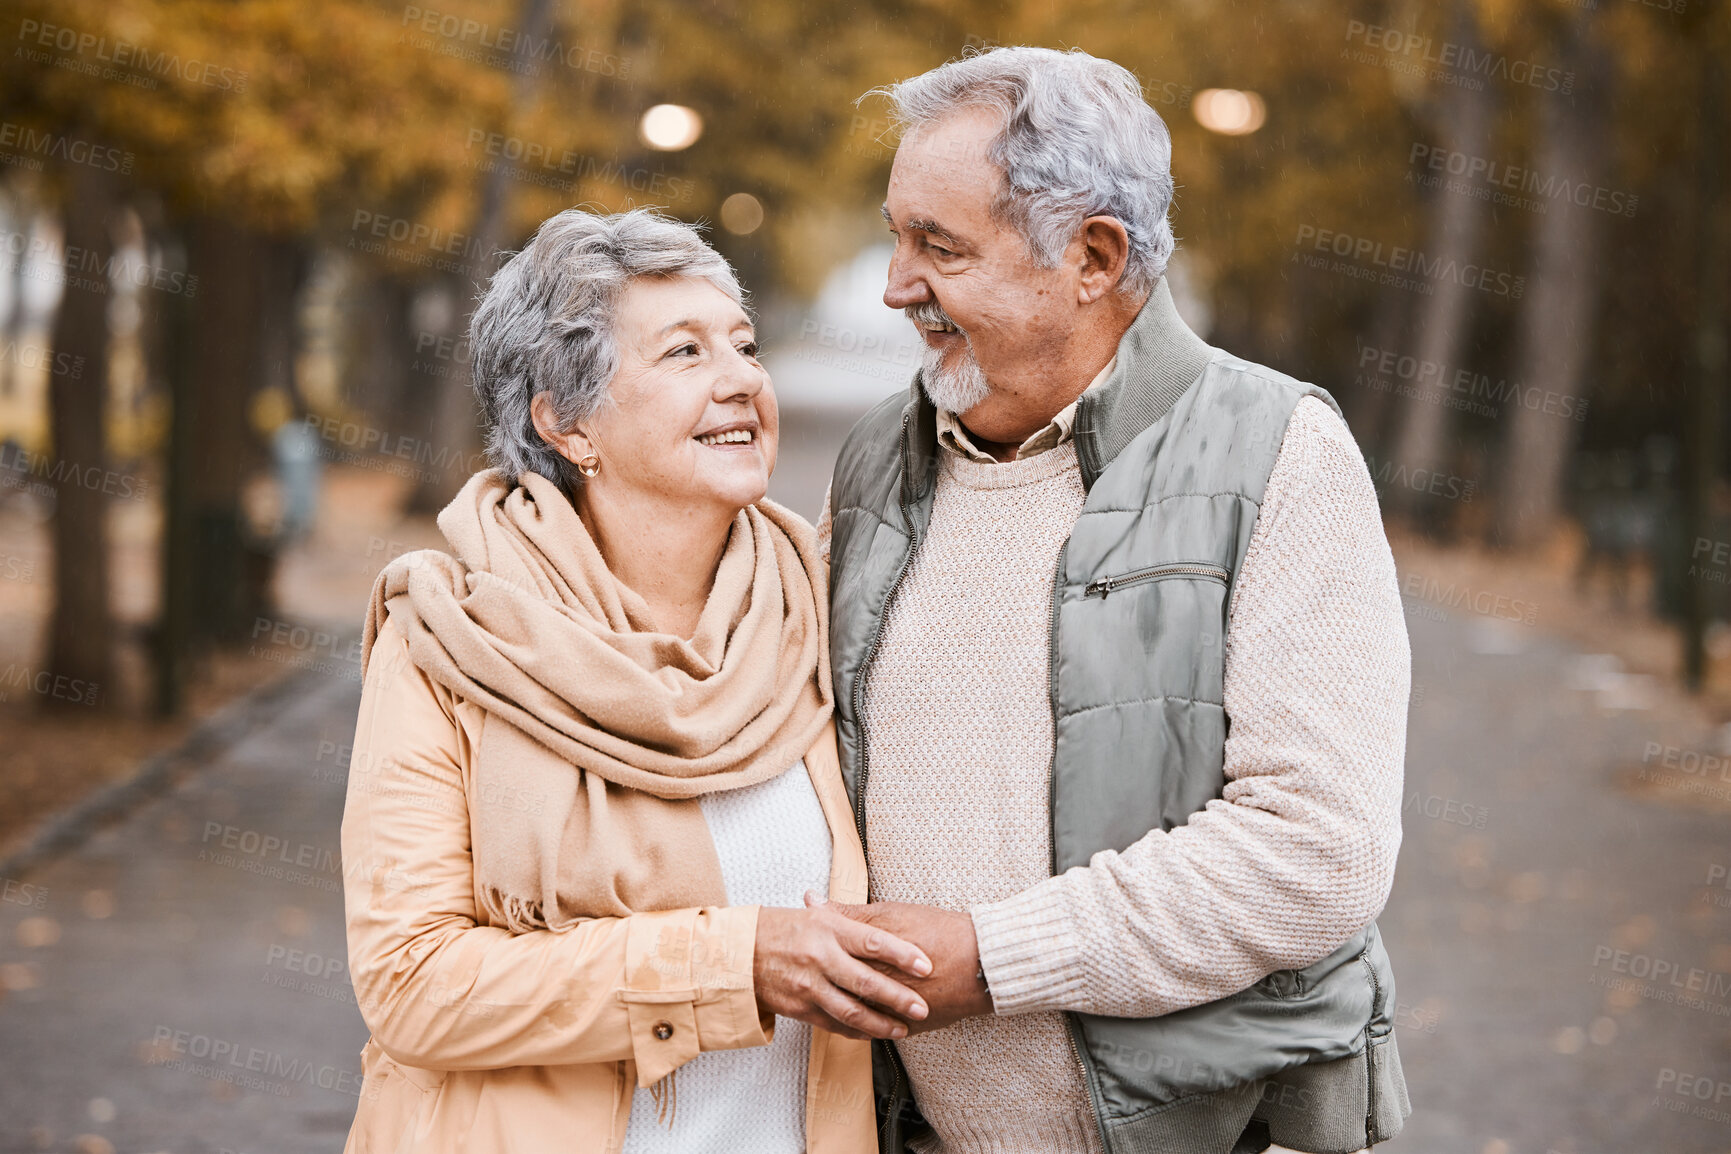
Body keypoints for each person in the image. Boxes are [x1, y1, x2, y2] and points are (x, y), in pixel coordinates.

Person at [816, 47, 1413, 1154]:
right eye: (897, 234)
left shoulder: (1281, 452)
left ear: (1092, 257)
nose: (897, 283)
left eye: (937, 246)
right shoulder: (873, 465)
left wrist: (992, 958)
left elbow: (1315, 850)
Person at [340, 208, 932, 1154]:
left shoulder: (828, 609)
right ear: (566, 424)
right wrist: (732, 963)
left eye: (743, 345)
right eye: (684, 353)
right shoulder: (448, 638)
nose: (741, 378)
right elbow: (414, 983)